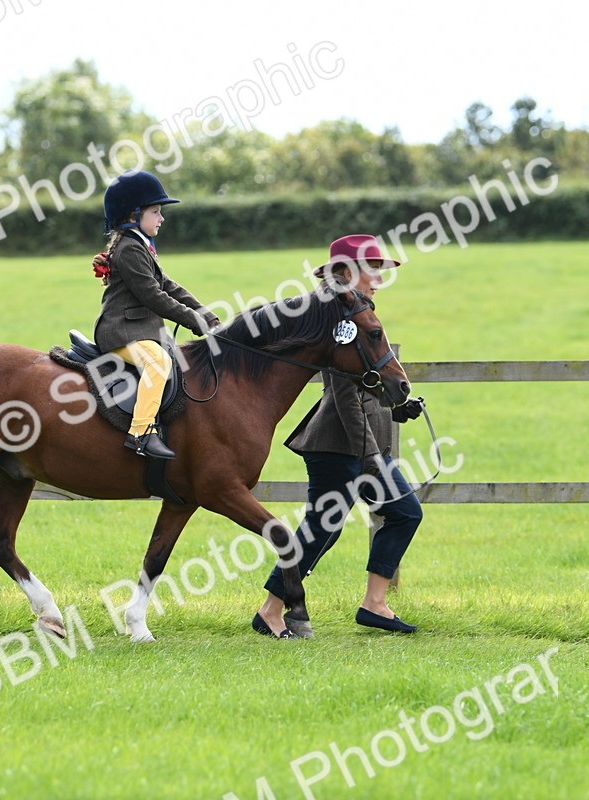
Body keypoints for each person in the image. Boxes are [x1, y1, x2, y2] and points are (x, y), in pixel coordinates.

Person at [251, 234, 426, 639]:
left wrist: (398, 406)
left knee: (337, 526)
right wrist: (369, 455)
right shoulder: (338, 318)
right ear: (347, 272)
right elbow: (344, 390)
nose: (379, 277)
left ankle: (371, 604)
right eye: (372, 268)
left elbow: (366, 379)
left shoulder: (352, 309)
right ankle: (274, 610)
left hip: (354, 443)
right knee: (327, 527)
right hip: (338, 443)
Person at [91, 170, 220, 460]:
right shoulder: (129, 249)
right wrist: (193, 321)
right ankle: (140, 433)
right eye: (156, 212)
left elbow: (169, 286)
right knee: (159, 362)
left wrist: (206, 314)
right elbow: (153, 296)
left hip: (139, 330)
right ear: (133, 215)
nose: (161, 218)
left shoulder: (140, 246)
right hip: (121, 331)